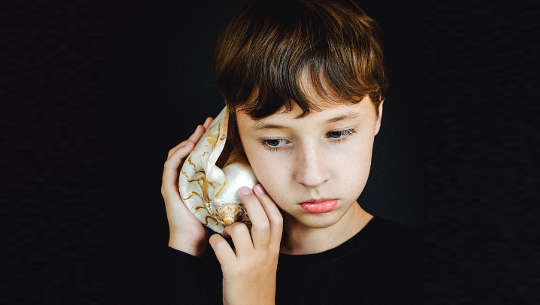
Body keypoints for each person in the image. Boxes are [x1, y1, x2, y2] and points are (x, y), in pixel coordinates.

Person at [159, 1, 420, 304]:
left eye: (337, 133)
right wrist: (186, 245)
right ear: (233, 133)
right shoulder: (203, 264)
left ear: (377, 116)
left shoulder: (418, 269)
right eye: (274, 141)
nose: (312, 176)